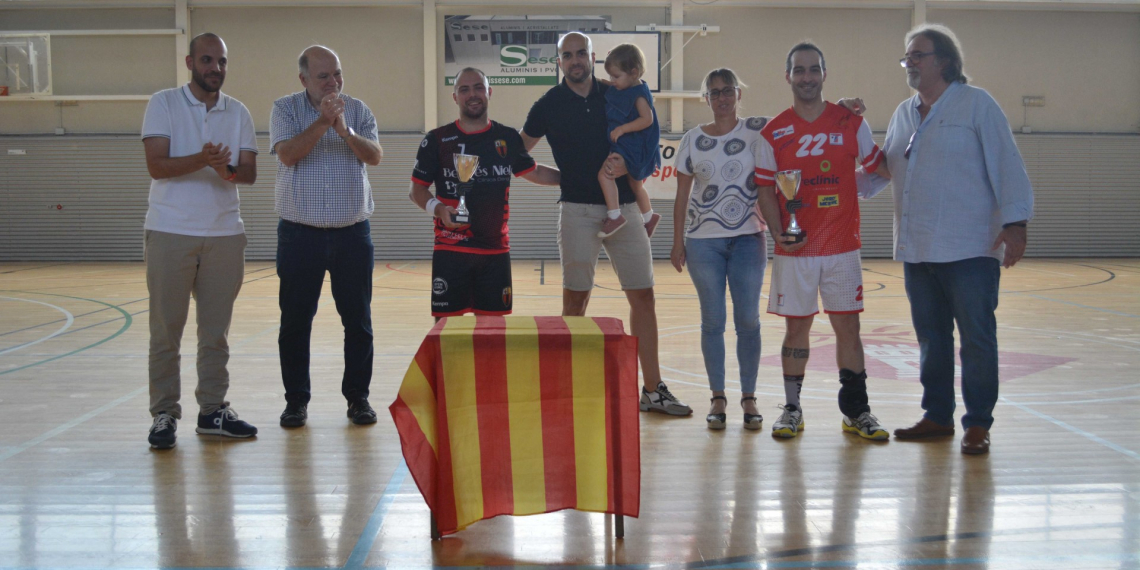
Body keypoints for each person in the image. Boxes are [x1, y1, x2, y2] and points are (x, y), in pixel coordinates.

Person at [522, 32, 692, 416]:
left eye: (582, 53)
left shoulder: (615, 91)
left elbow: (647, 132)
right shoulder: (547, 104)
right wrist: (560, 178)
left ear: (593, 57)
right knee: (576, 300)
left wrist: (637, 168)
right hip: (578, 212)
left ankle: (652, 390)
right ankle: (569, 387)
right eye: (568, 55)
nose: (575, 60)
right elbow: (520, 156)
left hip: (626, 209)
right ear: (560, 62)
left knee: (643, 295)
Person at [882, 24, 1033, 455]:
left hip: (970, 248)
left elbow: (1006, 163)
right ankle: (937, 416)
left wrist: (1016, 223)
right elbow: (888, 168)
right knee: (931, 339)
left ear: (944, 61)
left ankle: (978, 424)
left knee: (977, 338)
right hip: (918, 248)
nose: (909, 63)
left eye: (917, 55)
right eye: (906, 57)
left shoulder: (976, 105)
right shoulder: (903, 113)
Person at [754, 42, 890, 441]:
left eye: (814, 69)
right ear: (788, 76)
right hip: (795, 249)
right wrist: (780, 232)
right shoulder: (772, 132)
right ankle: (792, 409)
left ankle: (857, 411)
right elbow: (765, 190)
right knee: (796, 332)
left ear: (824, 74)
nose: (807, 77)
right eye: (800, 70)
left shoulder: (850, 122)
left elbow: (880, 166)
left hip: (842, 247)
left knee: (849, 329)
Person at [141, 32, 258, 449]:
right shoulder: (164, 103)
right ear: (190, 62)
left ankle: (212, 412)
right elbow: (157, 166)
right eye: (208, 60)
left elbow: (246, 173)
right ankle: (164, 415)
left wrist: (222, 167)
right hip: (171, 231)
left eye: (222, 62)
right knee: (166, 331)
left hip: (225, 234)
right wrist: (202, 160)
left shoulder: (238, 111)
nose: (216, 69)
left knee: (215, 333)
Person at [270, 45, 384, 428]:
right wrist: (322, 123)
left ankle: (358, 399)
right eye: (324, 76)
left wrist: (344, 129)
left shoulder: (359, 109)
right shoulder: (285, 109)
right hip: (300, 236)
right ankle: (296, 402)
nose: (333, 82)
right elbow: (287, 154)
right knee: (296, 322)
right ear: (303, 79)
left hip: (353, 234)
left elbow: (374, 156)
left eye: (337, 73)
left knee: (359, 322)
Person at [409, 67, 560, 319]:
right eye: (464, 89)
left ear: (489, 92)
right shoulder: (436, 139)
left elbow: (535, 172)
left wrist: (578, 180)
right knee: (446, 333)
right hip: (451, 251)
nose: (473, 94)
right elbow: (416, 190)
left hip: (494, 253)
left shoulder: (507, 137)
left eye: (479, 87)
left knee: (492, 336)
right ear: (455, 97)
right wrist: (439, 210)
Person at [671, 68, 769, 430]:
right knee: (712, 322)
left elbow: (799, 121)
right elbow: (682, 196)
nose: (723, 98)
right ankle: (717, 396)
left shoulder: (759, 129)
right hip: (702, 243)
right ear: (706, 99)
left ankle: (749, 396)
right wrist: (677, 241)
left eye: (728, 90)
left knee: (748, 321)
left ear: (738, 94)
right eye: (715, 93)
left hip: (749, 238)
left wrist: (841, 107)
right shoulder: (692, 139)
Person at [597, 44, 661, 238]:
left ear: (633, 73)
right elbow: (614, 87)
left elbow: (647, 119)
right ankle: (649, 216)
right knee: (636, 185)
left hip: (631, 145)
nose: (612, 81)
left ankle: (615, 215)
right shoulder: (627, 86)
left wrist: (622, 128)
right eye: (610, 77)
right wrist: (599, 81)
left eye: (616, 77)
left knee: (604, 175)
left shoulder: (639, 95)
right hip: (630, 144)